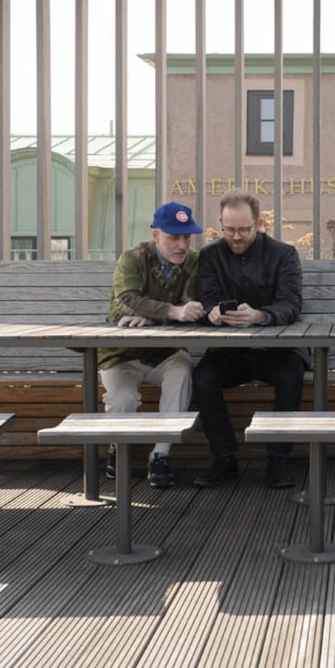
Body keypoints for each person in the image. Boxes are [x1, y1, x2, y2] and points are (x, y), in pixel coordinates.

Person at [191, 188, 306, 489]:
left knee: (292, 375)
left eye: (243, 229)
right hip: (230, 350)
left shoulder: (284, 254)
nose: (237, 236)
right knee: (202, 377)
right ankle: (224, 458)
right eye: (229, 229)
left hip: (277, 349)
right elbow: (205, 299)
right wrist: (212, 312)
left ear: (259, 224)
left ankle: (278, 461)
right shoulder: (209, 255)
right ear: (220, 223)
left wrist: (260, 316)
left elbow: (291, 303)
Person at [98, 201, 207, 488]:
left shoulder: (194, 261)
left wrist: (153, 316)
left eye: (186, 237)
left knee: (182, 371)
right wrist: (169, 312)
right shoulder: (132, 258)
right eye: (174, 237)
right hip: (120, 355)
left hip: (163, 352)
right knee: (123, 399)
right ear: (156, 234)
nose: (182, 245)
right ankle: (116, 448)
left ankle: (161, 453)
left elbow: (191, 302)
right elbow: (127, 299)